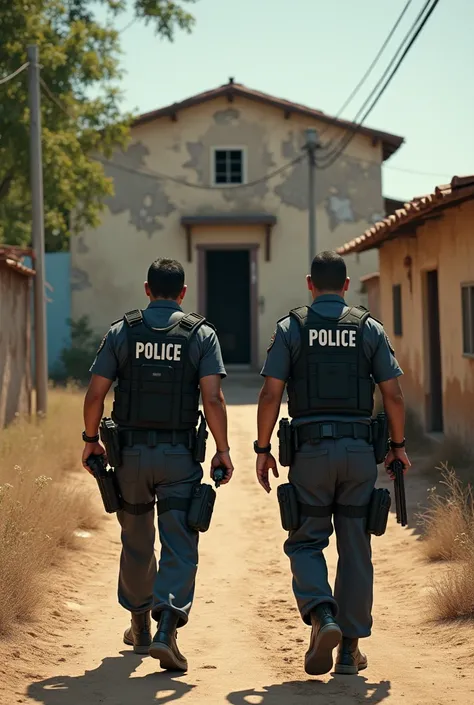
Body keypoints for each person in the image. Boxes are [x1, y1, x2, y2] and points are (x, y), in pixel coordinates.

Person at [255, 250, 410, 677]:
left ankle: (323, 616)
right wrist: (397, 445)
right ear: (346, 286)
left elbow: (270, 394)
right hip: (360, 453)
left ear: (310, 284)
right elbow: (393, 395)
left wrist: (263, 448)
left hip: (309, 454)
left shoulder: (292, 328)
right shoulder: (368, 328)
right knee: (356, 546)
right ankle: (349, 651)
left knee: (306, 540)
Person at [81, 258, 234, 672]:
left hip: (128, 456)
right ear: (183, 293)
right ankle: (166, 627)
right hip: (178, 458)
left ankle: (139, 625)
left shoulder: (122, 331)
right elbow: (213, 399)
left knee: (135, 538)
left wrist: (91, 440)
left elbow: (96, 393)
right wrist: (222, 449)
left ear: (147, 290)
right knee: (179, 541)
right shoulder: (201, 334)